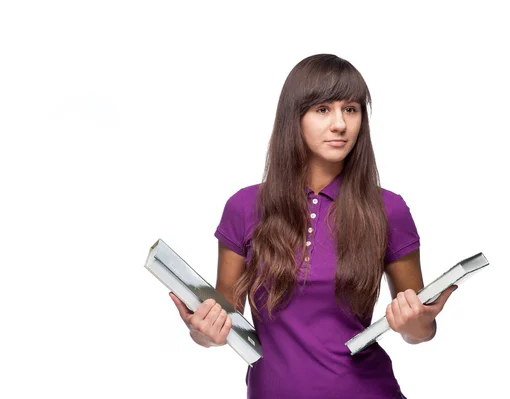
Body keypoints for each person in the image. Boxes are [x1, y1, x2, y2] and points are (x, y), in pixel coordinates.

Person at [169, 54, 457, 399]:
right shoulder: (244, 208)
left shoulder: (388, 209)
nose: (340, 124)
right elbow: (223, 323)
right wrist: (201, 332)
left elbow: (419, 330)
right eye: (323, 109)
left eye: (351, 109)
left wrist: (418, 323)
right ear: (295, 118)